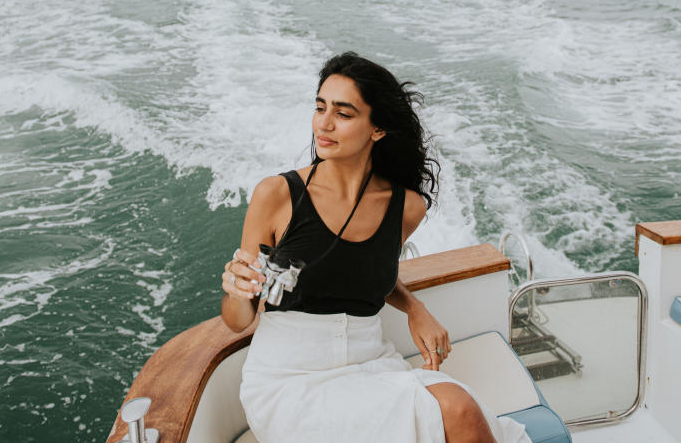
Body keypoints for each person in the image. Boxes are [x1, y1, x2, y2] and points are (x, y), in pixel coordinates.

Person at [220, 52, 530, 443]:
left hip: (372, 364)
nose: (324, 124)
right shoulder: (278, 195)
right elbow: (237, 318)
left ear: (377, 129)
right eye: (320, 108)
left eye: (343, 114)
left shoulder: (407, 207)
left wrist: (414, 307)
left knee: (465, 413)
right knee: (457, 407)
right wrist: (236, 288)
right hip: (290, 381)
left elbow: (365, 271)